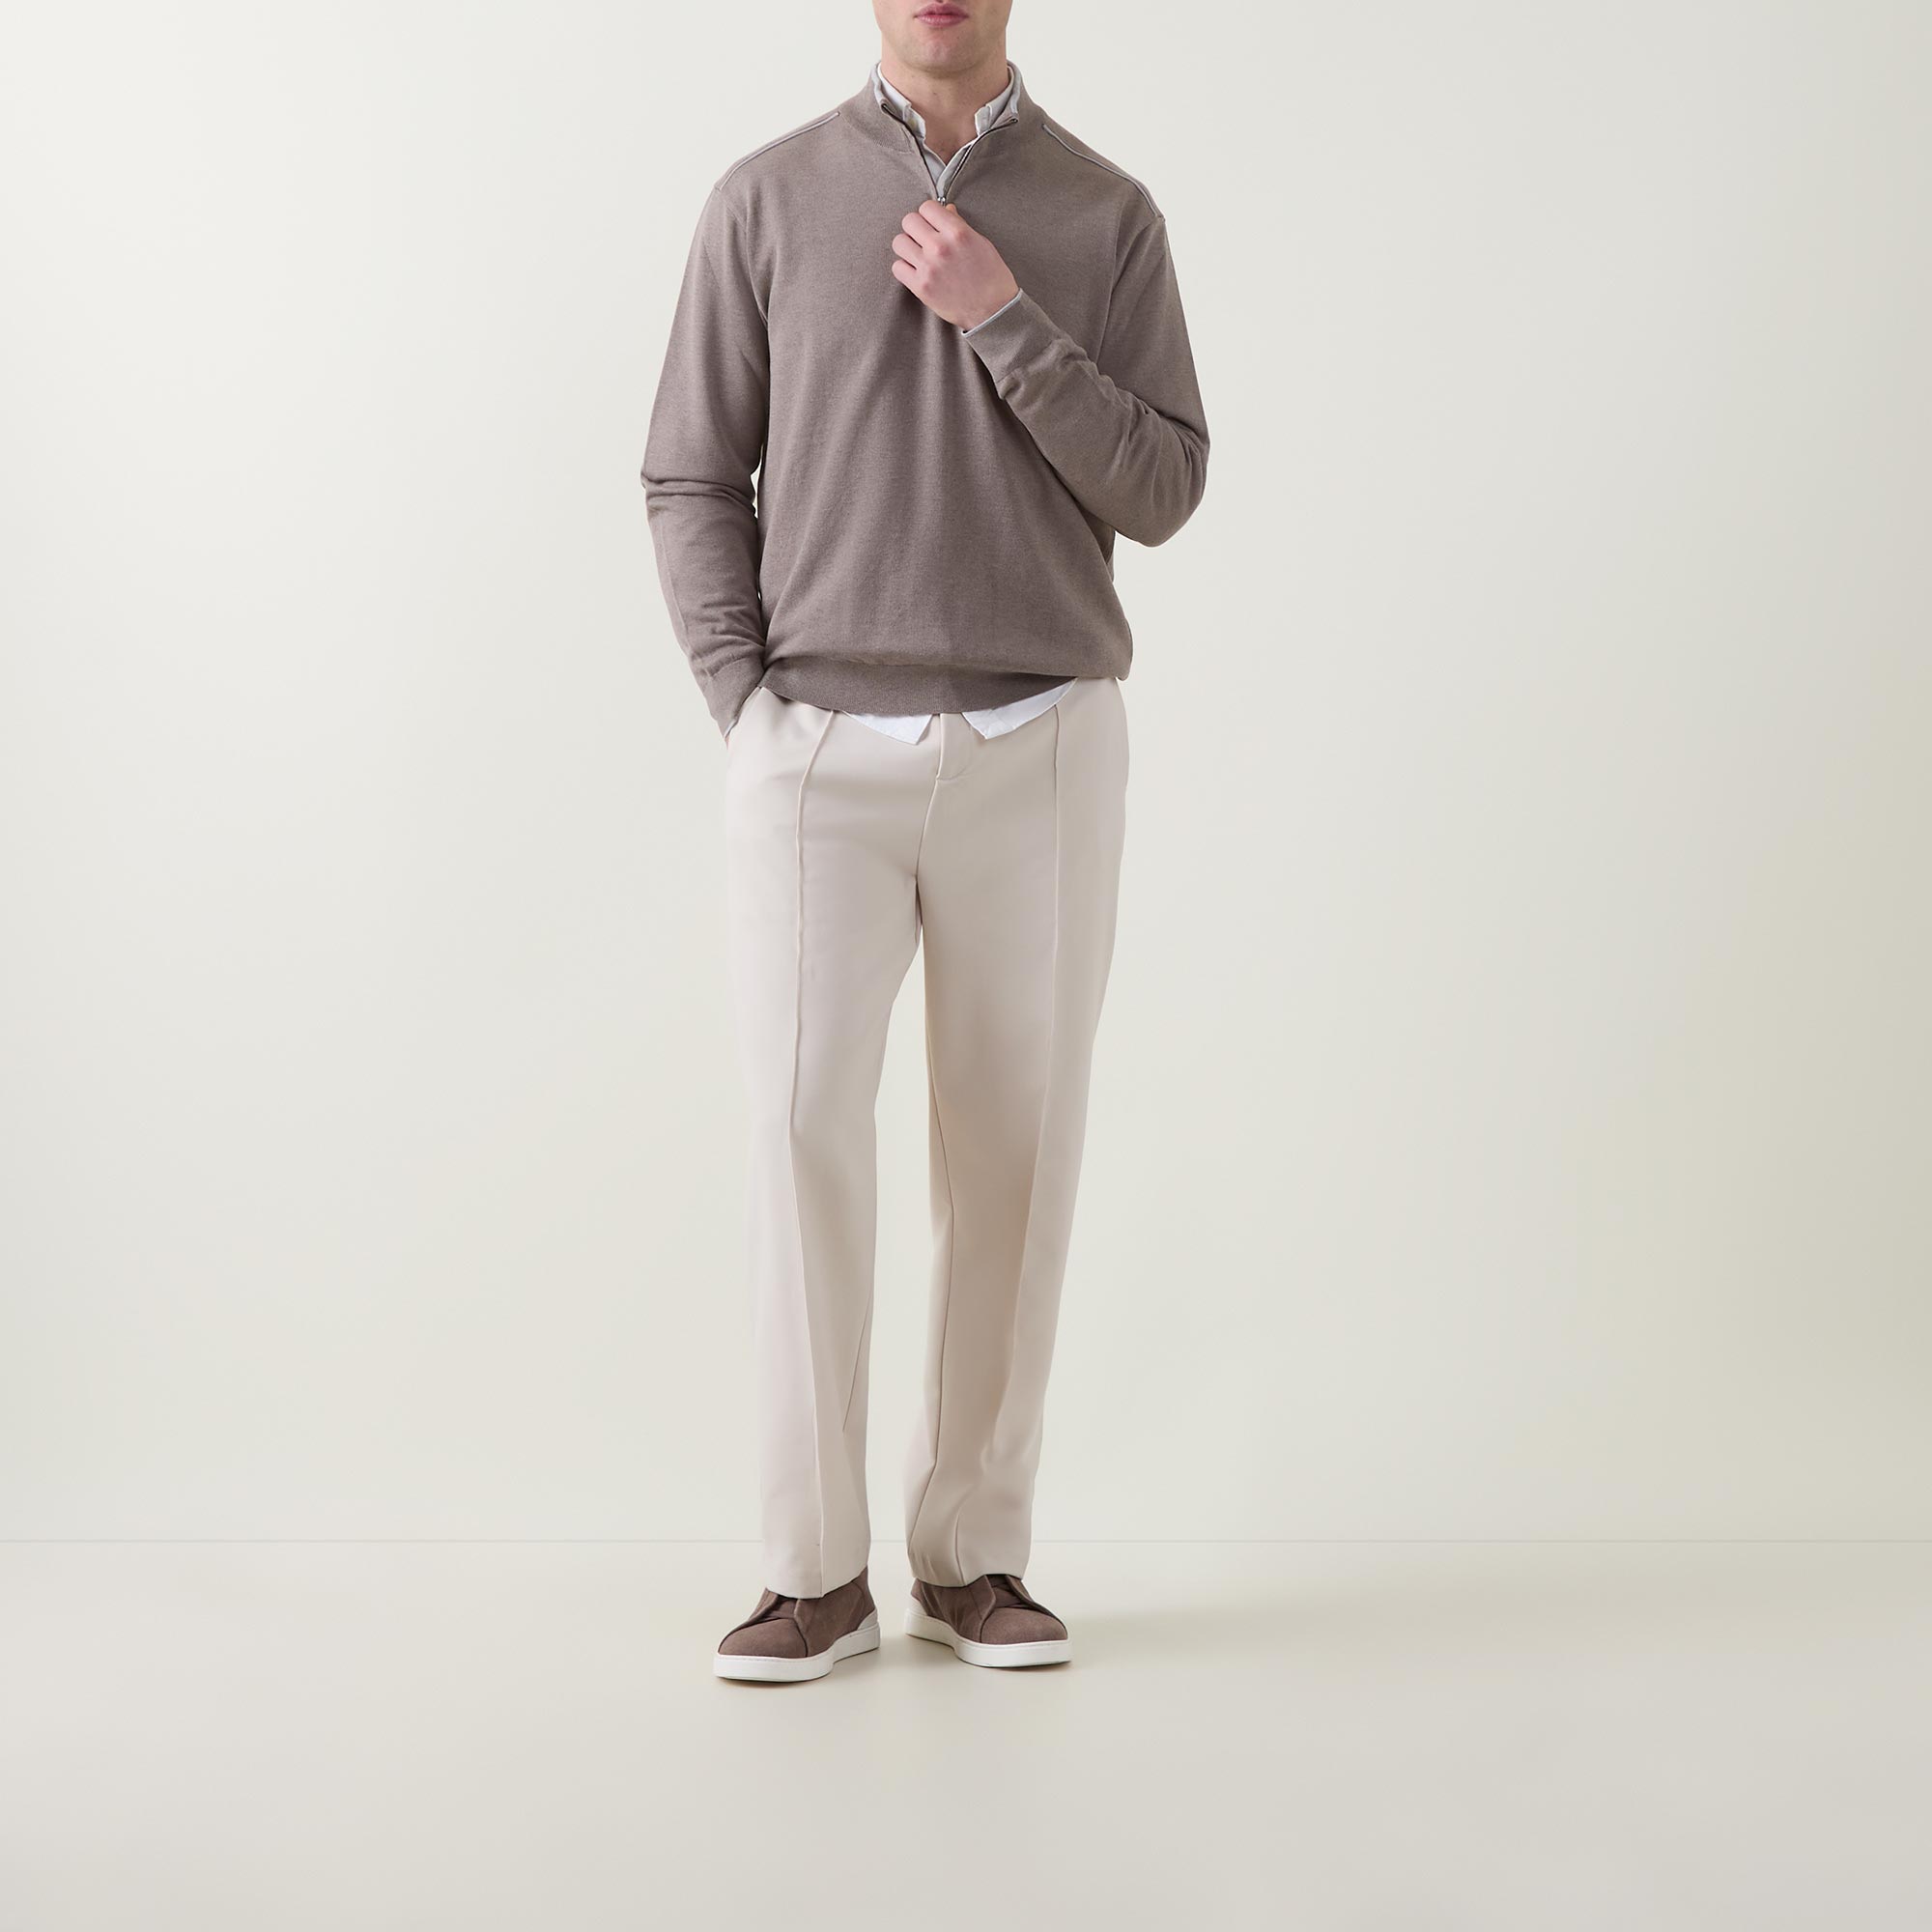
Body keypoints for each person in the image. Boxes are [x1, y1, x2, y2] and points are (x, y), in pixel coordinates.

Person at [641, 0, 1208, 1682]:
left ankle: (973, 1558)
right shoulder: (766, 199)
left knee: (1013, 1150)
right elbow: (690, 474)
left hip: (1044, 742)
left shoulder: (1106, 216)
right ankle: (810, 1573)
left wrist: (1003, 317)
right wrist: (747, 704)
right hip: (817, 748)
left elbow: (1164, 486)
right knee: (799, 1131)